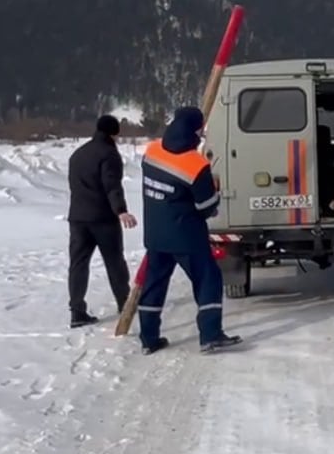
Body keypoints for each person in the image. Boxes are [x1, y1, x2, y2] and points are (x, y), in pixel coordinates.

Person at [136, 106, 241, 355]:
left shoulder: (152, 150)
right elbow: (205, 207)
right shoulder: (196, 165)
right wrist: (213, 194)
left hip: (155, 234)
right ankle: (210, 335)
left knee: (154, 285)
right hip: (186, 237)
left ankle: (149, 339)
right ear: (197, 131)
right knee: (208, 279)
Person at [66, 114, 137, 328]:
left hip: (78, 217)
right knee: (115, 263)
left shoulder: (78, 154)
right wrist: (121, 210)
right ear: (114, 133)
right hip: (103, 219)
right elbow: (111, 185)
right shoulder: (109, 154)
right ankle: (124, 305)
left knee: (78, 265)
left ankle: (77, 312)